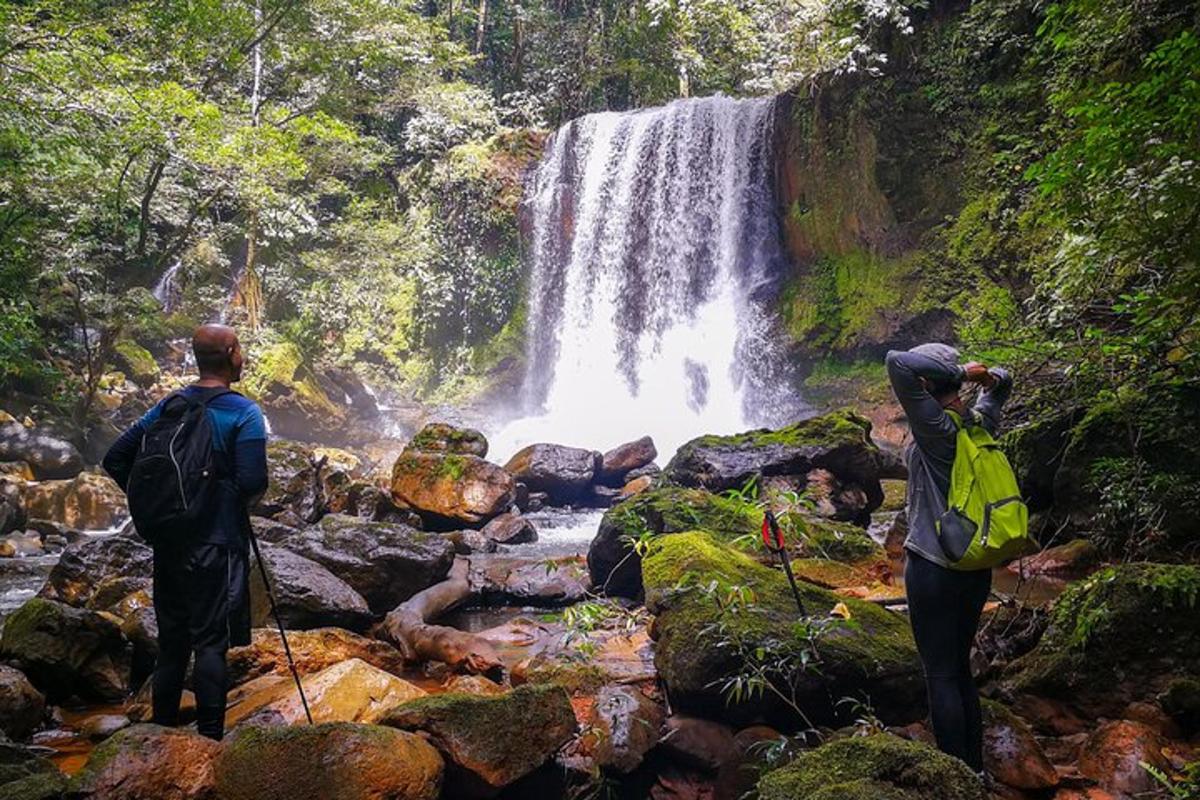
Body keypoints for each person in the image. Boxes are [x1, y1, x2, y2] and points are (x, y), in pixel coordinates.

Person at [102, 324, 268, 740]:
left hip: (170, 542)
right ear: (230, 352)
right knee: (211, 643)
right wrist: (215, 500)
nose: (243, 356)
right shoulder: (243, 413)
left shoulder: (167, 407)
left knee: (173, 642)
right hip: (217, 543)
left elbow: (116, 457)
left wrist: (159, 503)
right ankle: (210, 742)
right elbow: (252, 481)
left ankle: (160, 737)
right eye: (241, 349)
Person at [884, 343, 1012, 776]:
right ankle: (975, 769)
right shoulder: (980, 421)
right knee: (960, 669)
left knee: (939, 674)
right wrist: (980, 377)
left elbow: (895, 362)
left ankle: (954, 776)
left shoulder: (934, 427)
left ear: (925, 385)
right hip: (975, 568)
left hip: (932, 567)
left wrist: (957, 370)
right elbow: (1005, 379)